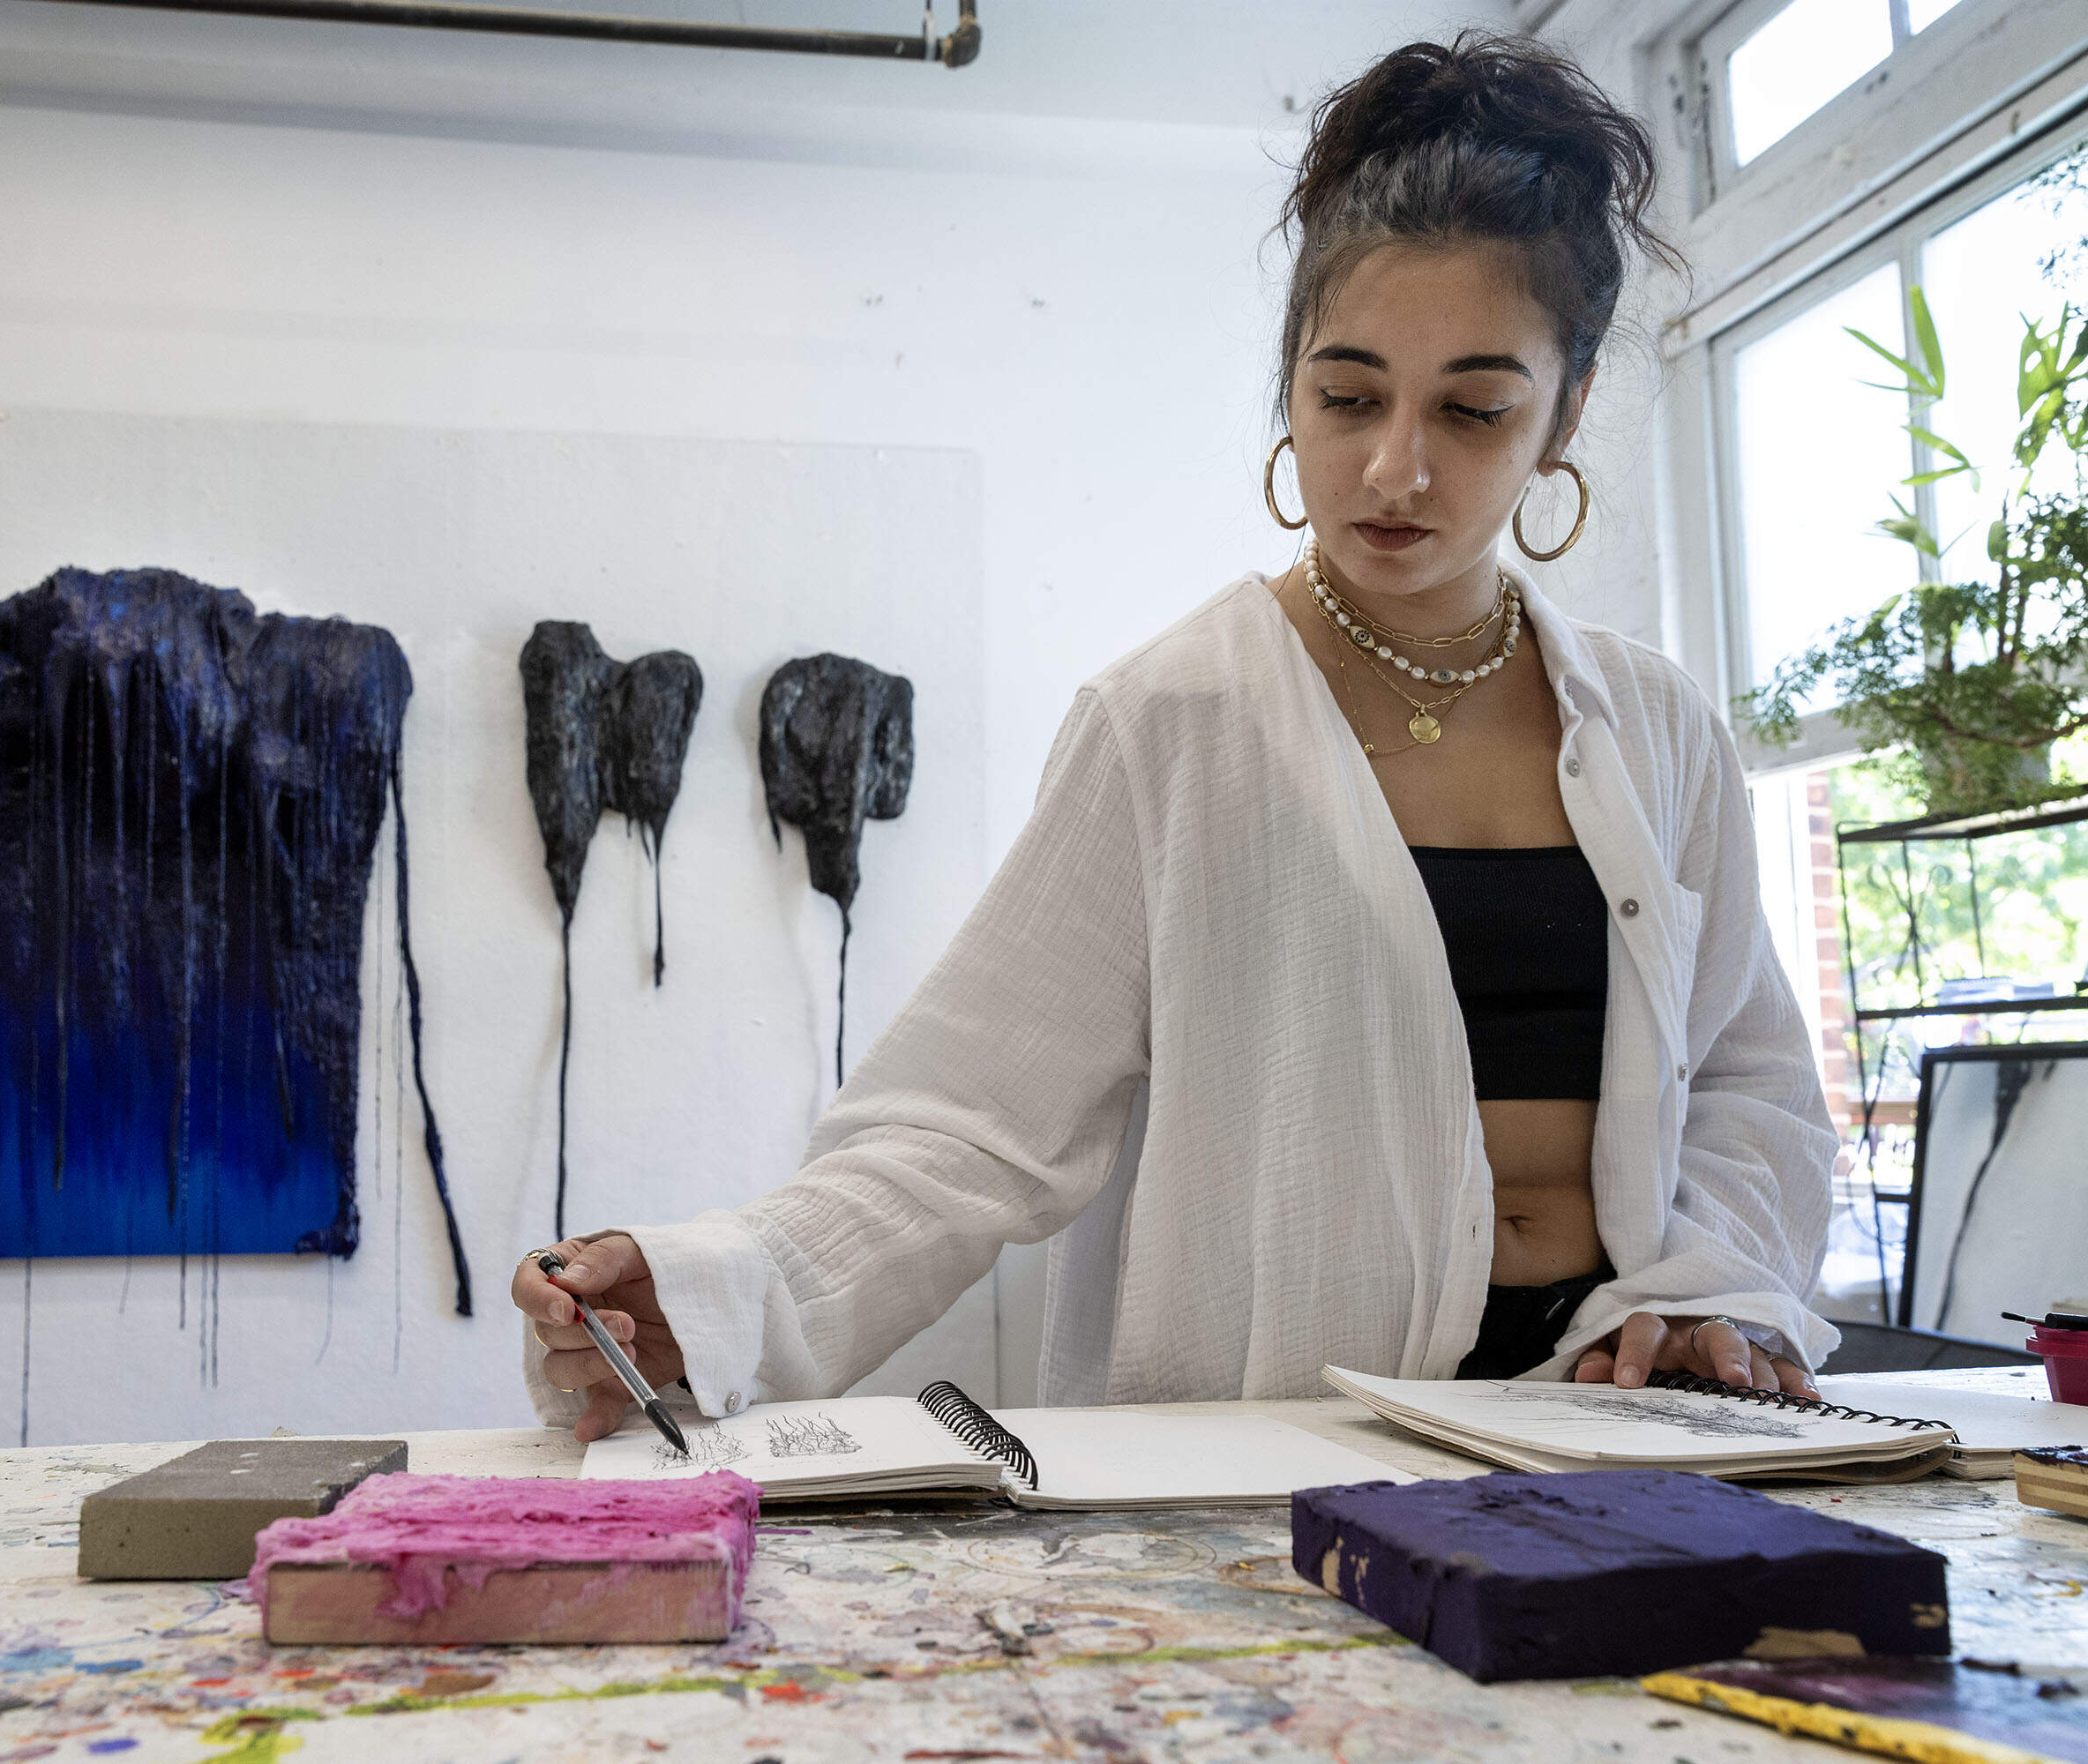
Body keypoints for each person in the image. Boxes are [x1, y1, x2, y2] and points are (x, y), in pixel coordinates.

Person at [514, 32, 1838, 1442]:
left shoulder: (1658, 728)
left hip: (1614, 1435)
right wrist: (715, 1291)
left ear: (1566, 410)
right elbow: (971, 1125)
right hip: (1282, 1451)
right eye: (1347, 396)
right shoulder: (1170, 722)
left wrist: (1712, 1296)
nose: (1394, 466)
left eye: (1473, 408)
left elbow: (1748, 1086)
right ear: (1289, 386)